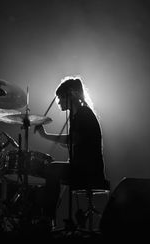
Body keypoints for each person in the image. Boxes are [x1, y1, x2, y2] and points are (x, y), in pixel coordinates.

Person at [36, 76, 107, 227]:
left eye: (61, 98)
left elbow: (72, 139)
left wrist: (45, 135)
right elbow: (73, 142)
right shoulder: (78, 115)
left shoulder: (83, 114)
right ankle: (49, 217)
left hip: (89, 171)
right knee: (51, 169)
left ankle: (47, 219)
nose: (59, 102)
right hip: (85, 169)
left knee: (52, 169)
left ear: (71, 94)